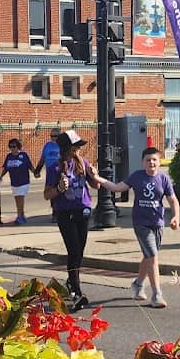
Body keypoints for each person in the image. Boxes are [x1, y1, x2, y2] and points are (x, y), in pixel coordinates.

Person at [99, 145, 180, 308]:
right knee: (153, 256)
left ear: (159, 162)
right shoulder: (137, 177)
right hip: (141, 224)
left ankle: (137, 284)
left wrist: (176, 217)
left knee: (149, 256)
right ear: (143, 162)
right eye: (148, 160)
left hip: (158, 223)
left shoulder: (164, 179)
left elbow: (173, 200)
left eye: (155, 160)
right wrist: (98, 178)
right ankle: (157, 294)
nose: (151, 163)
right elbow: (117, 187)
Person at [43, 129, 99, 309]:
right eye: (75, 147)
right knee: (73, 250)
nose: (78, 150)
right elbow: (47, 195)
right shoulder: (55, 168)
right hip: (65, 213)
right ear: (67, 149)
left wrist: (94, 174)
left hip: (83, 211)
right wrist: (59, 189)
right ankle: (76, 290)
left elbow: (95, 185)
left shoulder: (83, 163)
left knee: (79, 252)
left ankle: (71, 282)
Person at [0, 138, 35, 224]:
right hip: (14, 182)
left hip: (23, 181)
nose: (12, 149)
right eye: (10, 147)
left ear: (18, 147)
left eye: (14, 146)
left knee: (20, 198)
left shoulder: (24, 155)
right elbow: (5, 168)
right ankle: (22, 215)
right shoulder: (9, 156)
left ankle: (19, 216)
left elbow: (30, 166)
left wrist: (35, 173)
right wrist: (1, 176)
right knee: (17, 199)